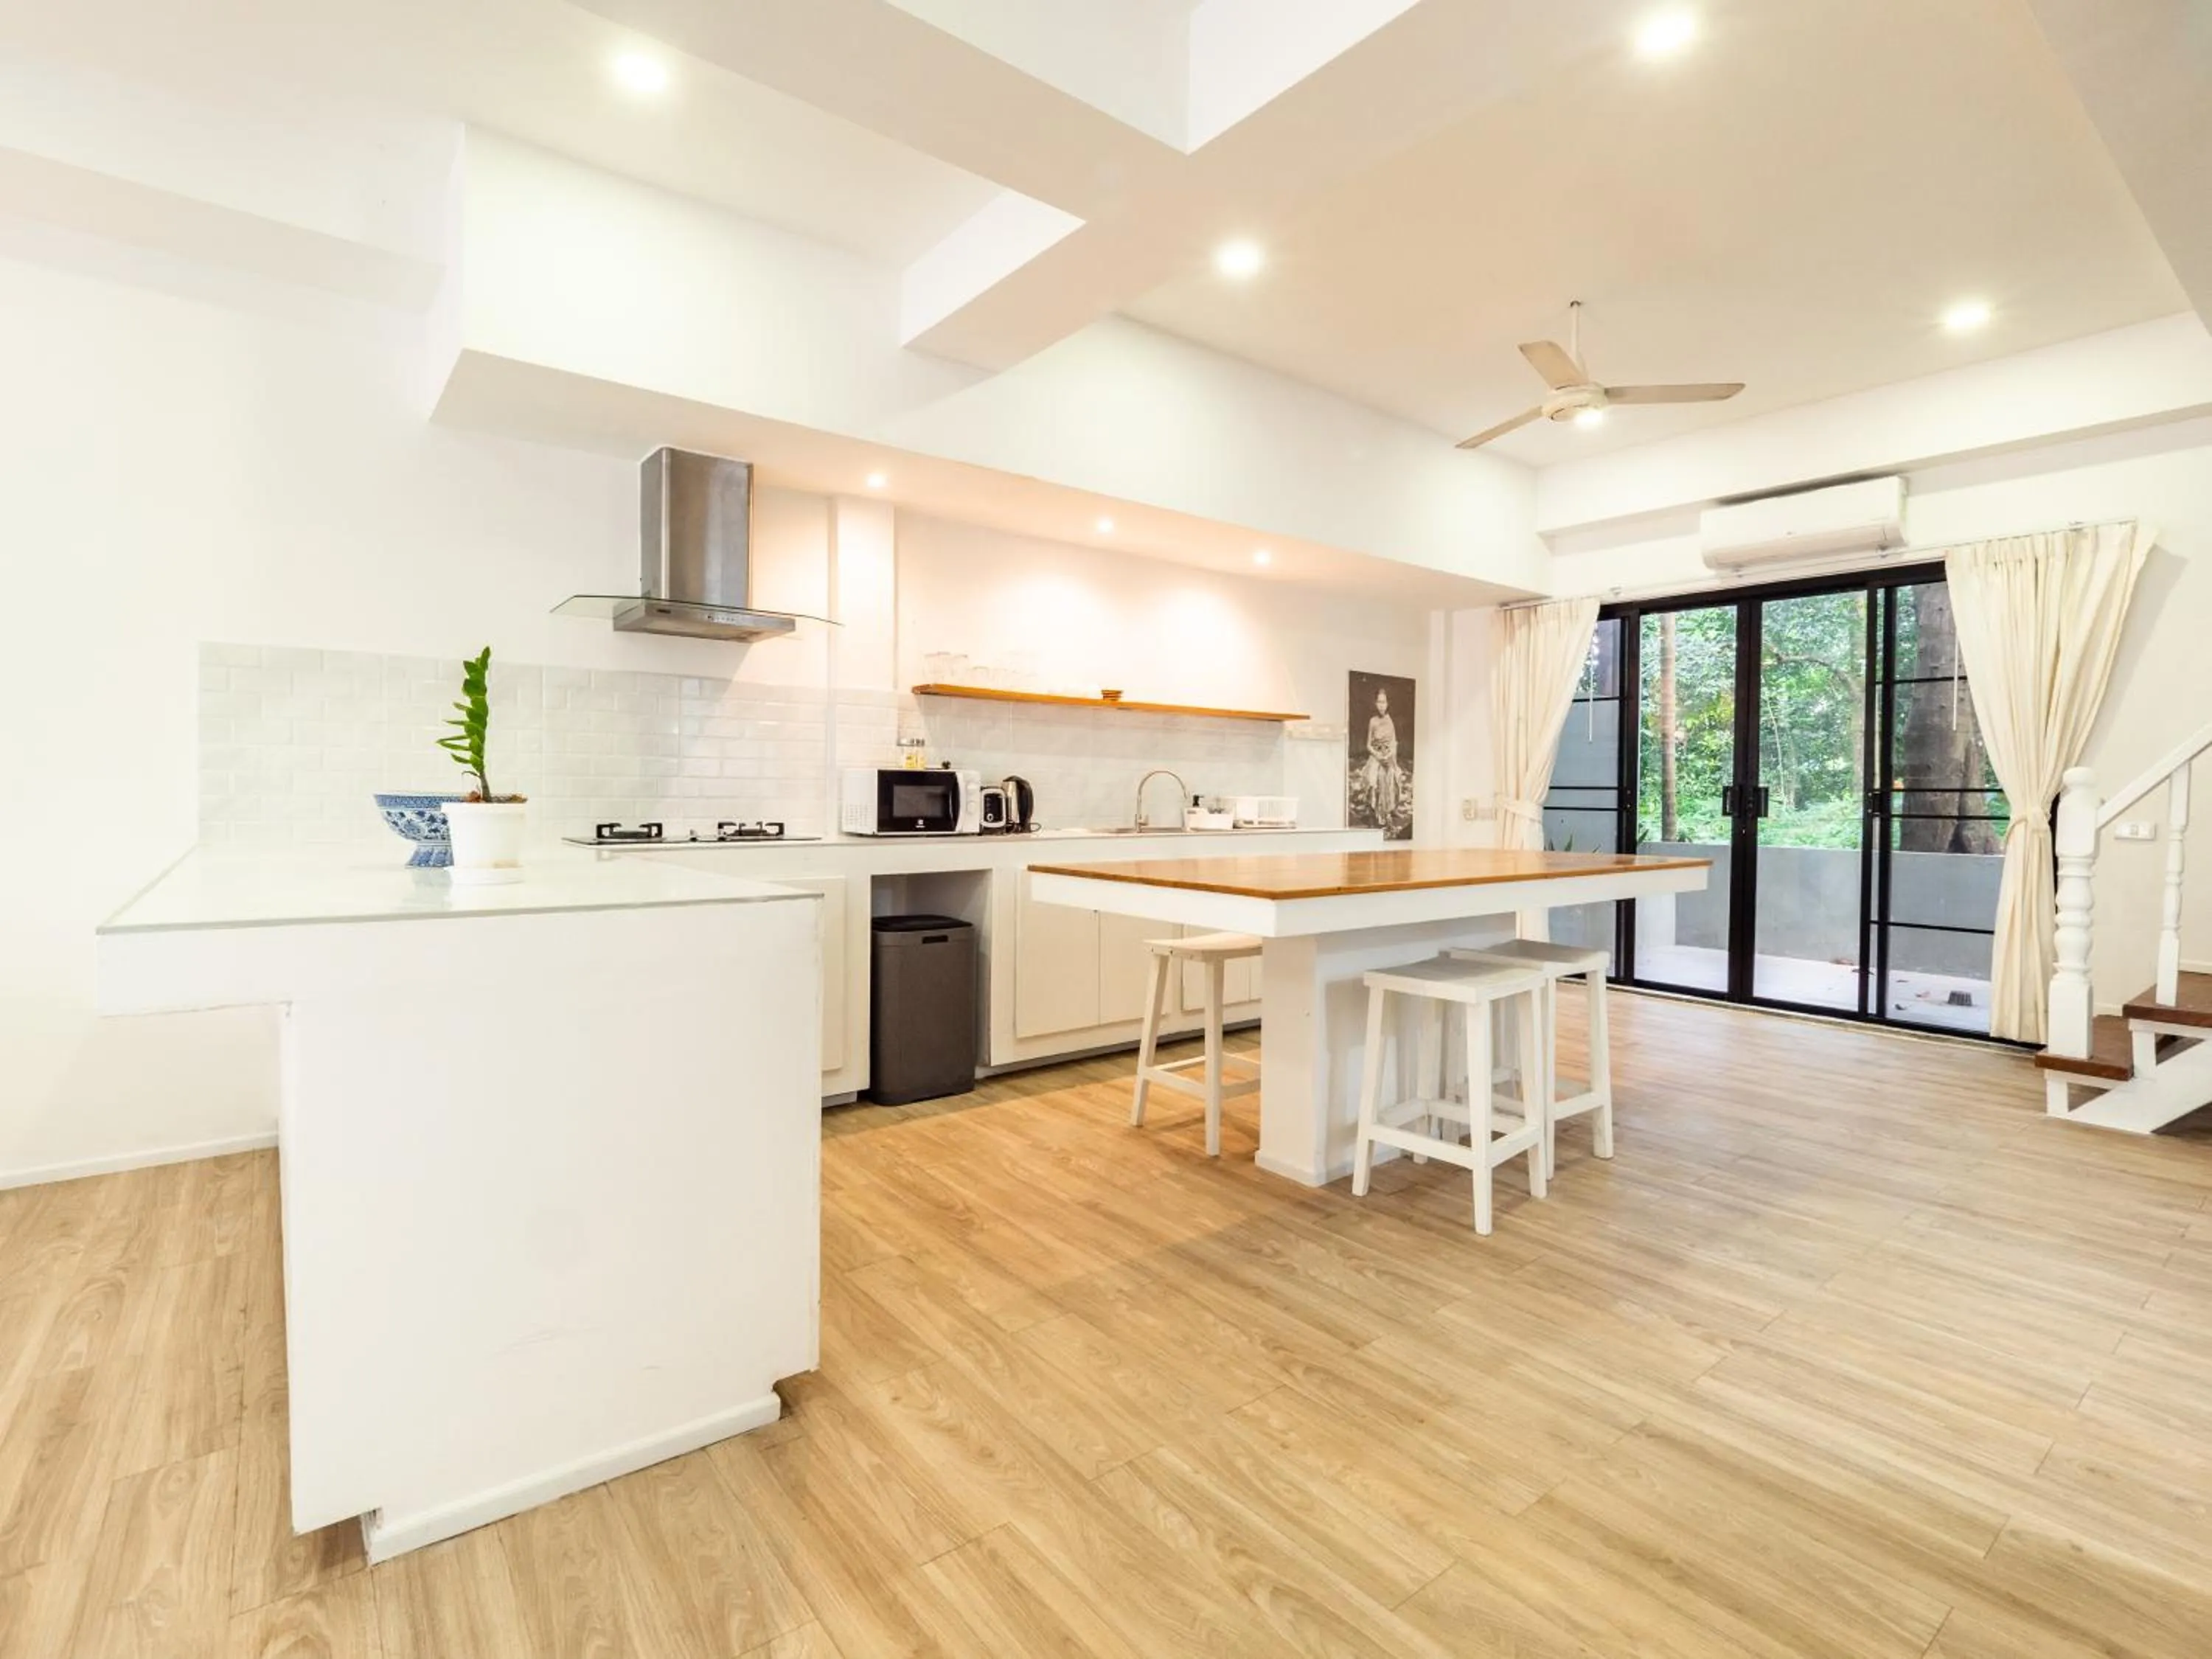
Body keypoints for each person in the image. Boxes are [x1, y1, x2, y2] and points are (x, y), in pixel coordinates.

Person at [1361, 687, 1405, 827]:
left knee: (1393, 774)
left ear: (1388, 704)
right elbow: (1368, 745)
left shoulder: (1390, 721)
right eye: (1379, 702)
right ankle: (1378, 812)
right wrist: (1378, 756)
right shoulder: (1372, 721)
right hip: (1376, 755)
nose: (1382, 705)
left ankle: (1392, 808)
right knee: (1376, 777)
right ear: (1375, 704)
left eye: (1384, 702)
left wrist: (1390, 758)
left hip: (1389, 756)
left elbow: (1394, 743)